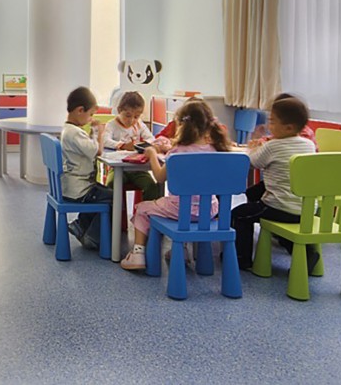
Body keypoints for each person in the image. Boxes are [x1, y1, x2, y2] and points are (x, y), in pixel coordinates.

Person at [121, 99, 231, 270]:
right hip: (209, 210)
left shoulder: (178, 152)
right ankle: (182, 251)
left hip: (180, 210)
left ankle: (138, 254)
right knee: (187, 207)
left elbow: (159, 177)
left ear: (181, 125)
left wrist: (152, 154)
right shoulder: (217, 149)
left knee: (142, 208)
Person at [231, 96, 318, 271]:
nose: (268, 126)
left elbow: (251, 162)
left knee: (238, 215)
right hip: (306, 209)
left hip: (280, 207)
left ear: (289, 127)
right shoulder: (308, 144)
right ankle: (306, 253)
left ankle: (242, 259)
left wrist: (253, 147)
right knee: (254, 192)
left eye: (272, 122)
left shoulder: (273, 146)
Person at [60, 86, 110, 251]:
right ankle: (91, 236)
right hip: (79, 190)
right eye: (90, 115)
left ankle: (81, 225)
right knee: (113, 197)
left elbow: (88, 146)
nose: (91, 119)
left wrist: (93, 133)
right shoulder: (74, 133)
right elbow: (97, 150)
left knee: (103, 191)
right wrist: (100, 132)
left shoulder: (69, 130)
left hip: (72, 186)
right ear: (80, 110)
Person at [103, 91, 161, 202]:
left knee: (151, 187)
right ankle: (114, 213)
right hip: (118, 169)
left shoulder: (139, 124)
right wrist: (122, 145)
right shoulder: (112, 125)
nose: (131, 120)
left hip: (138, 169)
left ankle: (145, 212)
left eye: (136, 117)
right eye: (128, 115)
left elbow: (151, 139)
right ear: (119, 110)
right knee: (111, 185)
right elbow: (105, 141)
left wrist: (142, 145)